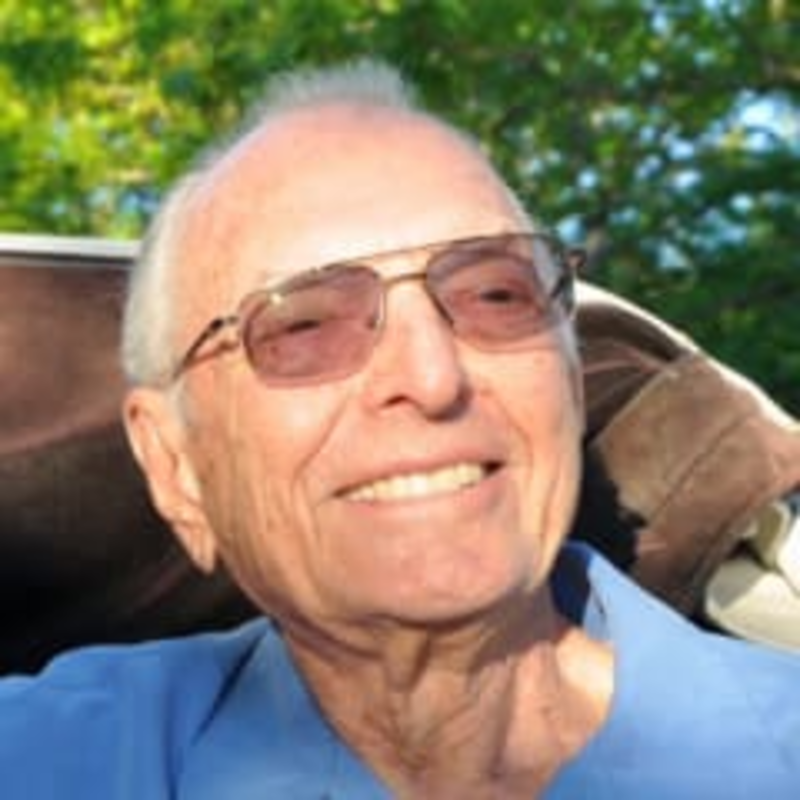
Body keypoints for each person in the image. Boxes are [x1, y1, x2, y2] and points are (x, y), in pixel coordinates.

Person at [1, 59, 799, 800]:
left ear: (569, 377)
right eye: (304, 326)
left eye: (495, 295)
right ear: (175, 467)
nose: (433, 377)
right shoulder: (53, 758)